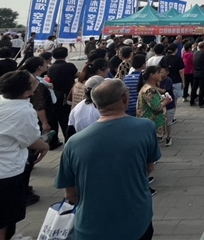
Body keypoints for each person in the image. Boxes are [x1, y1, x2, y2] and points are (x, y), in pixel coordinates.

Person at [55, 79, 161, 240]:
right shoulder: (145, 127)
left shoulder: (73, 143)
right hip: (136, 221)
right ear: (125, 98)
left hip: (90, 226)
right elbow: (149, 168)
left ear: (95, 105)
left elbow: (70, 195)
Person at [0, 71, 49, 240]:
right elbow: (31, 140)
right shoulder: (23, 112)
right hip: (3, 175)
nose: (37, 83)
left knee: (1, 218)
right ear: (26, 92)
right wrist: (44, 146)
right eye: (34, 82)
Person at [47, 46, 79, 145]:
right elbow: (77, 75)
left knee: (54, 119)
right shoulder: (69, 66)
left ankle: (53, 142)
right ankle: (69, 140)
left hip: (54, 95)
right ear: (66, 55)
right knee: (66, 120)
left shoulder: (51, 68)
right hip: (66, 95)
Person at [137, 66, 171, 142]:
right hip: (151, 124)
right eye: (158, 73)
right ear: (152, 75)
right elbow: (156, 107)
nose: (160, 75)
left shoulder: (149, 87)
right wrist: (166, 101)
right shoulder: (149, 90)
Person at [192, 41, 204, 107]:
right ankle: (201, 103)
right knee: (202, 89)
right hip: (202, 73)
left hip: (195, 72)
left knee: (194, 88)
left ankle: (192, 101)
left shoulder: (195, 53)